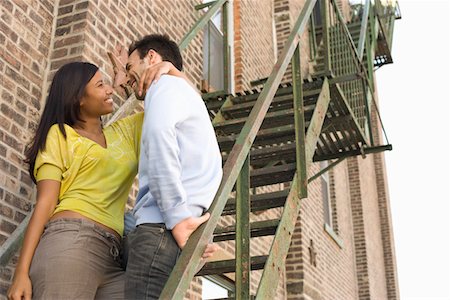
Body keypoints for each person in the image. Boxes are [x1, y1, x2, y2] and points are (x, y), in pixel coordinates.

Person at [7, 60, 183, 300]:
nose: (110, 89)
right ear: (79, 97)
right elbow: (45, 204)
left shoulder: (126, 131)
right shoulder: (60, 136)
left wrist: (169, 71)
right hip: (69, 242)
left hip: (114, 256)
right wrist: (21, 272)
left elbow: (176, 103)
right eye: (101, 85)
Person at [124, 34, 223, 299]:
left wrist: (178, 218)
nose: (125, 77)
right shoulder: (183, 92)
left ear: (152, 58)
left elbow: (158, 138)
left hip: (162, 228)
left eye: (129, 66)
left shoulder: (165, 86)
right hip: (168, 230)